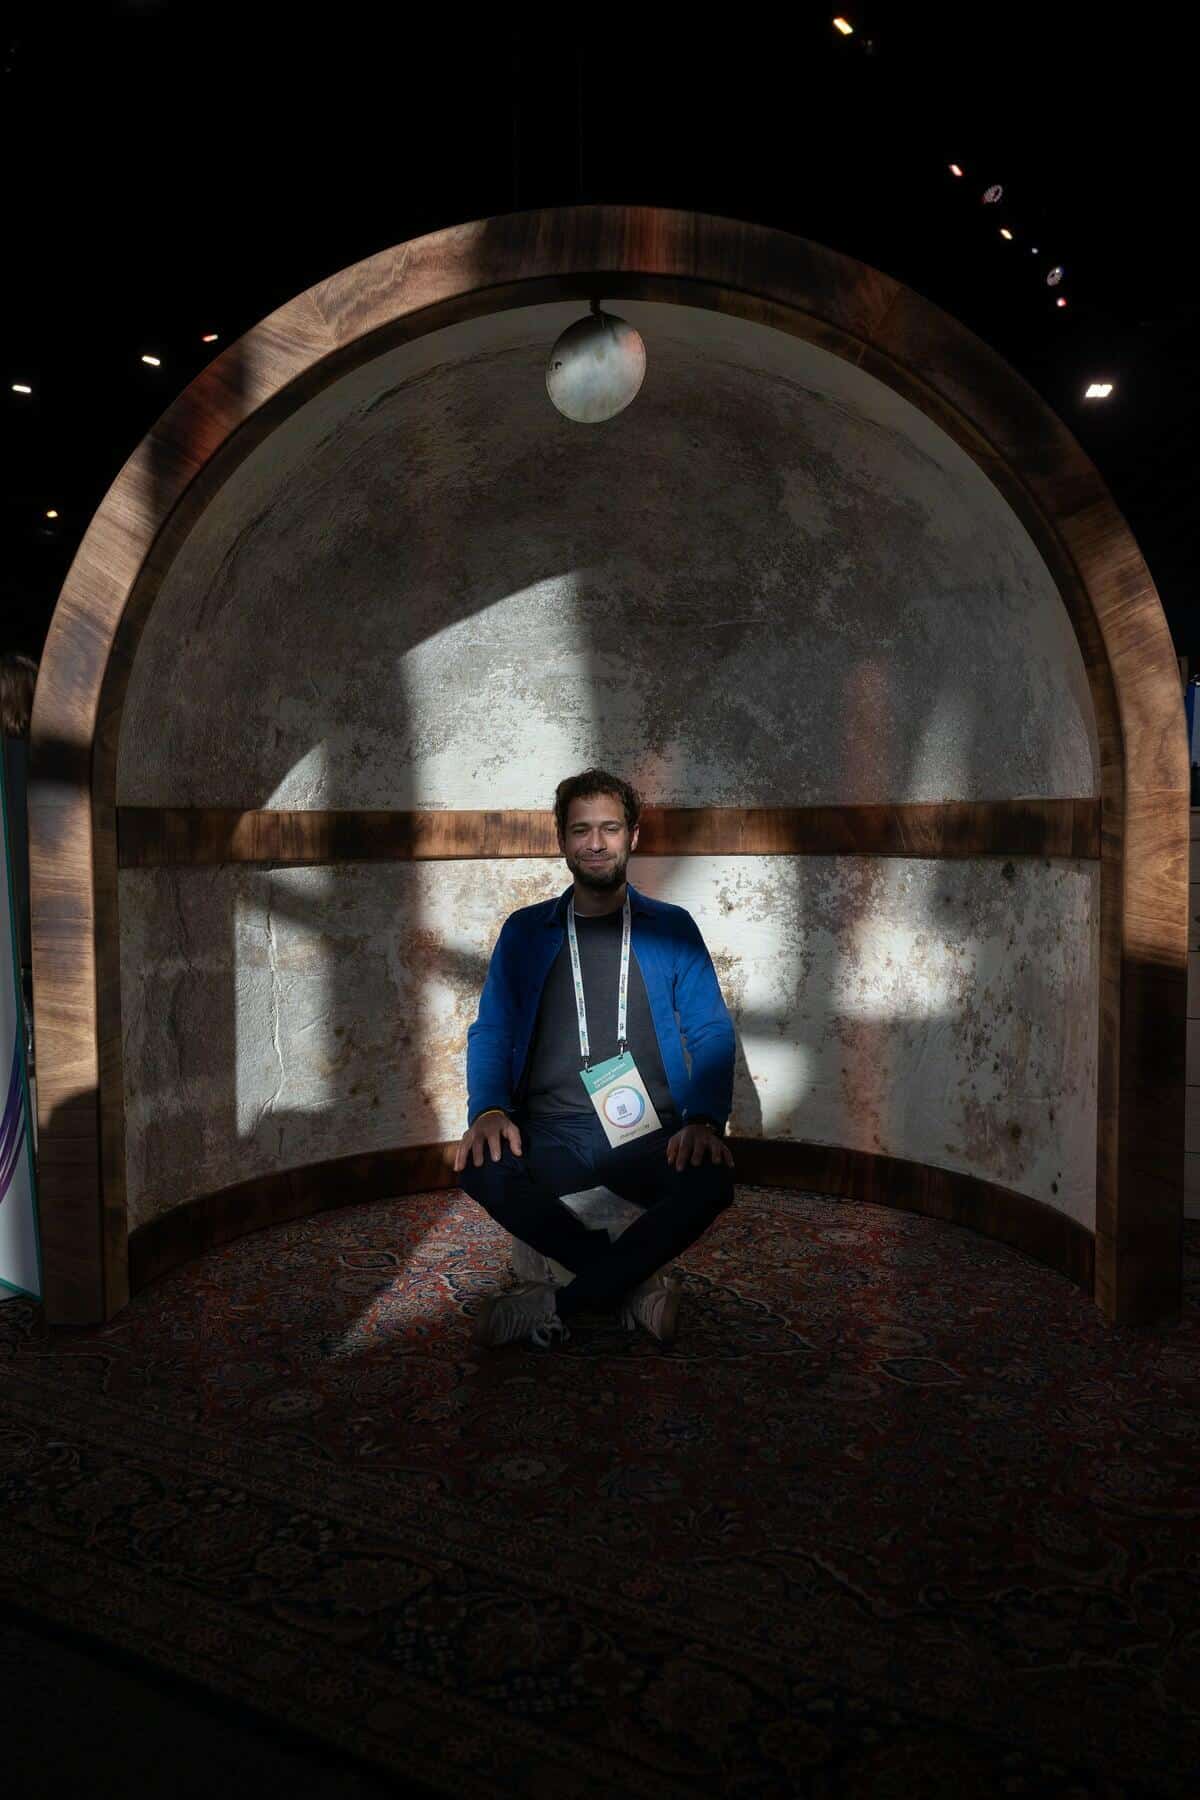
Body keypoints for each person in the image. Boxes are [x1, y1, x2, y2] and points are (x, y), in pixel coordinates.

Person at [455, 768, 736, 1349]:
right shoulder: (525, 931)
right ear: (561, 839)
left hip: (648, 1136)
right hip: (552, 1134)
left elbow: (710, 1029)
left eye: (610, 828)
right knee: (481, 1166)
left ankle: (558, 1303)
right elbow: (492, 1029)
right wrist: (488, 1110)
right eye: (581, 830)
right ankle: (631, 1287)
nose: (596, 843)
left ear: (633, 835)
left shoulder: (671, 928)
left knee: (712, 1179)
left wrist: (705, 1120)